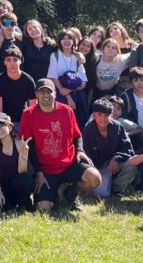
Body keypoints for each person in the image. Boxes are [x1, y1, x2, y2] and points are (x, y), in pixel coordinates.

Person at [21, 79, 101, 212]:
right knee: (43, 208)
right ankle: (56, 194)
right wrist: (38, 172)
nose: (46, 95)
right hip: (46, 171)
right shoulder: (28, 114)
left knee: (95, 178)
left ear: (55, 93)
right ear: (36, 94)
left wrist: (80, 150)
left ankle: (70, 192)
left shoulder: (67, 110)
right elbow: (29, 145)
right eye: (42, 92)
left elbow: (77, 134)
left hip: (69, 165)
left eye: (49, 91)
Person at [81, 98, 136, 199]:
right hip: (98, 166)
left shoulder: (118, 127)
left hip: (116, 163)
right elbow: (85, 156)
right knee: (101, 194)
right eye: (100, 115)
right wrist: (90, 180)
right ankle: (104, 185)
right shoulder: (88, 130)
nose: (103, 118)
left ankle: (117, 189)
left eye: (106, 115)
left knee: (131, 165)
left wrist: (116, 158)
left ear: (111, 114)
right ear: (94, 115)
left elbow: (128, 149)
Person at [0, 46, 36, 134]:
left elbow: (33, 108)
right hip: (5, 122)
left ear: (20, 61)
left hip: (23, 121)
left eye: (15, 60)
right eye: (8, 60)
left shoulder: (29, 80)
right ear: (4, 62)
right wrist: (1, 126)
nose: (12, 63)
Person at [47, 28, 88, 122]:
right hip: (59, 94)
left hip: (76, 94)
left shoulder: (77, 57)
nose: (66, 41)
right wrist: (67, 96)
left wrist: (69, 90)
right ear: (59, 41)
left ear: (73, 41)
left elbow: (84, 81)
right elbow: (53, 77)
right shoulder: (55, 56)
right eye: (63, 38)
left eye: (69, 38)